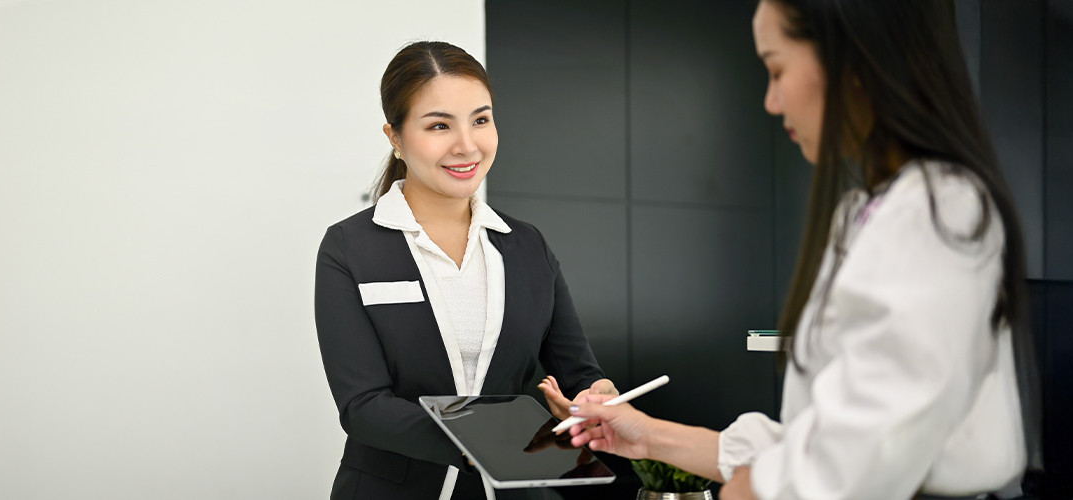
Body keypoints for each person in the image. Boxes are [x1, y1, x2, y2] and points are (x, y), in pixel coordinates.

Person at [548, 1, 1036, 499]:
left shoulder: (938, 211)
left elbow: (858, 459)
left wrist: (749, 490)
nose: (771, 101)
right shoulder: (869, 212)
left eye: (777, 70)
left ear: (852, 61)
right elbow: (824, 441)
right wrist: (648, 435)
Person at [315, 41, 618, 499]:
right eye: (439, 125)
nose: (467, 145)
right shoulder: (349, 248)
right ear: (395, 138)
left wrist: (598, 395)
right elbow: (363, 407)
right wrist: (483, 444)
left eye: (481, 119)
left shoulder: (526, 245)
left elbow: (578, 372)